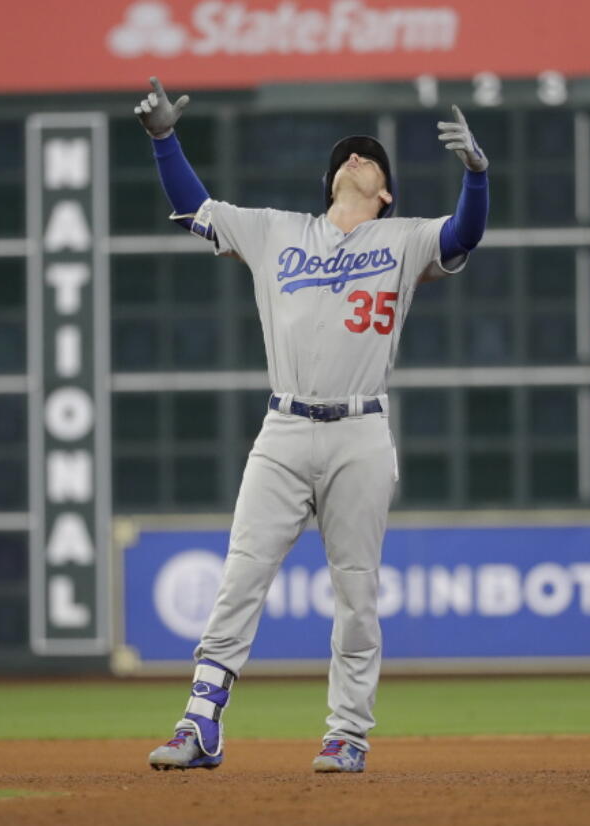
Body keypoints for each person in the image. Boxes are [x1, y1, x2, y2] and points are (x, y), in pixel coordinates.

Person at [136, 77, 489, 773]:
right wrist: (163, 141)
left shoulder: (403, 239)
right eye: (347, 157)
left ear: (385, 192)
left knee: (355, 593)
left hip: (360, 432)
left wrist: (477, 178)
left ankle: (347, 733)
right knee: (241, 574)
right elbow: (194, 208)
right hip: (285, 428)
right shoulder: (276, 231)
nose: (357, 159)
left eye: (370, 158)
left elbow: (463, 234)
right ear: (331, 181)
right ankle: (201, 722)